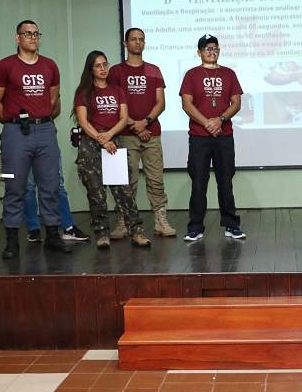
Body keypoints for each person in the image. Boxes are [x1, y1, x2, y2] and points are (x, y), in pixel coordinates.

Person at [0, 20, 71, 259]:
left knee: (50, 184)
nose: (33, 37)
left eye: (36, 33)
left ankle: (52, 235)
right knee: (15, 186)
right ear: (18, 38)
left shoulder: (50, 65)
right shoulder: (4, 66)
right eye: (27, 34)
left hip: (45, 130)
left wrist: (41, 116)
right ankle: (12, 240)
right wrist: (11, 119)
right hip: (16, 133)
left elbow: (53, 99)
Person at [72, 50, 151, 249]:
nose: (103, 69)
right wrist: (101, 139)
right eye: (98, 66)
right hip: (91, 144)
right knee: (96, 193)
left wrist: (109, 136)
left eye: (105, 64)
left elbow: (123, 119)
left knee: (124, 191)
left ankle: (136, 232)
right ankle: (102, 233)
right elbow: (83, 121)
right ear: (90, 69)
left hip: (114, 142)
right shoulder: (83, 93)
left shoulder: (117, 90)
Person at [107, 28, 176, 239]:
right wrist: (134, 125)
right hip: (125, 134)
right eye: (134, 39)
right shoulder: (116, 72)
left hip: (151, 133)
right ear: (125, 43)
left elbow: (161, 103)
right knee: (127, 181)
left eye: (141, 39)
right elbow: (113, 103)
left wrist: (144, 123)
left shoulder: (154, 70)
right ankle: (124, 222)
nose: (138, 43)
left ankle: (160, 222)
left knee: (156, 180)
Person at [179, 34, 245, 242]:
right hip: (199, 137)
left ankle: (231, 225)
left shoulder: (229, 73)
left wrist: (220, 119)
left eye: (215, 48)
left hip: (224, 137)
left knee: (226, 182)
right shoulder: (191, 74)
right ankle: (195, 227)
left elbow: (236, 103)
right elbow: (187, 104)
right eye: (207, 48)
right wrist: (207, 123)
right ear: (199, 52)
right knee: (199, 183)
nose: (211, 51)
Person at [24, 158, 89, 242]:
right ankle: (33, 229)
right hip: (25, 151)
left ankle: (68, 227)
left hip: (49, 150)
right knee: (28, 188)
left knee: (57, 185)